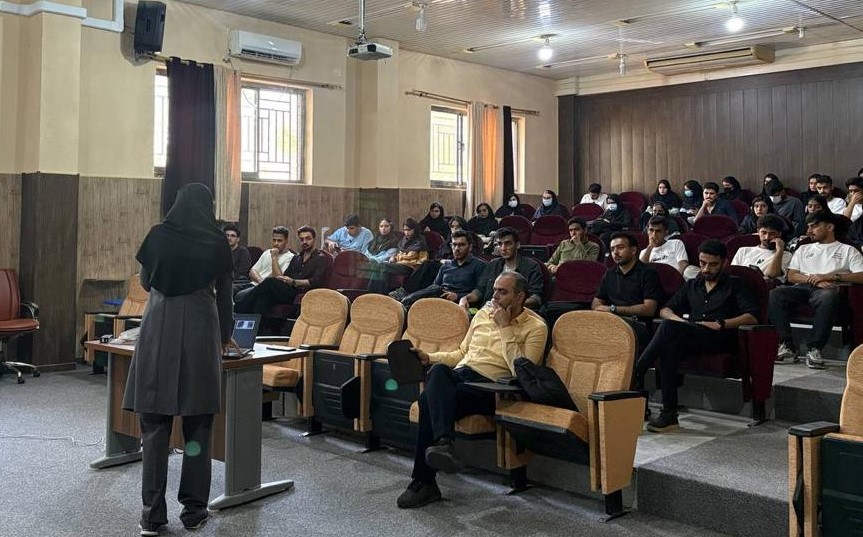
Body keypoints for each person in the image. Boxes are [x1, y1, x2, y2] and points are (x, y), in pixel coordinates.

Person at [122, 184, 234, 535]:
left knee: (154, 425)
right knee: (198, 424)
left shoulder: (158, 235)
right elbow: (226, 296)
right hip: (200, 328)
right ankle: (194, 510)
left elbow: (145, 281)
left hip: (158, 324)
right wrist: (225, 336)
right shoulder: (216, 241)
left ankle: (151, 515)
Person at [396, 272, 548, 509]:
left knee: (427, 400)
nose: (494, 296)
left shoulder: (536, 327)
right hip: (461, 376)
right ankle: (443, 445)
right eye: (494, 289)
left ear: (520, 297)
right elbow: (461, 353)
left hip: (492, 387)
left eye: (502, 292)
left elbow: (523, 373)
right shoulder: (483, 315)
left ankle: (424, 481)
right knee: (438, 371)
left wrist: (505, 327)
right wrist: (430, 357)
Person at [635, 240, 759, 433]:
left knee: (668, 332)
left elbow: (752, 317)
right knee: (668, 344)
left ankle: (637, 371)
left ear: (724, 263)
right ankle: (669, 414)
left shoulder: (735, 284)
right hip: (692, 333)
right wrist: (679, 322)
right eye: (702, 263)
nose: (706, 269)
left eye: (713, 264)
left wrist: (721, 324)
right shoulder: (693, 284)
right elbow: (666, 310)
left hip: (721, 337)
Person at [769, 212, 863, 369]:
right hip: (803, 287)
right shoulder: (803, 248)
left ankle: (814, 349)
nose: (809, 231)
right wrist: (814, 280)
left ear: (830, 227)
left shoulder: (848, 250)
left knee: (828, 296)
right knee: (775, 294)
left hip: (830, 288)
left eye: (814, 226)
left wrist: (831, 276)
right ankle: (786, 346)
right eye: (808, 227)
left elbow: (861, 275)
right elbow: (792, 275)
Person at [234, 226, 329, 315]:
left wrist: (294, 281)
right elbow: (285, 276)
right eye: (301, 239)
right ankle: (258, 326)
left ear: (314, 239)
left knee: (269, 281)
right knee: (263, 297)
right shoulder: (297, 258)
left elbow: (316, 281)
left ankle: (239, 306)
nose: (304, 242)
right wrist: (286, 280)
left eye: (308, 239)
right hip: (288, 288)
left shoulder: (320, 258)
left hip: (300, 292)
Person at [592, 232, 662, 348]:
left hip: (638, 324)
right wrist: (604, 310)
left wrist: (613, 309)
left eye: (620, 248)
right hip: (611, 320)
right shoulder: (609, 274)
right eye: (612, 249)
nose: (615, 253)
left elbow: (649, 309)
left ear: (633, 250)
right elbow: (596, 303)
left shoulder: (648, 273)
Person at [458, 227, 544, 310]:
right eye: (500, 244)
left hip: (516, 313)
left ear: (517, 245)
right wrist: (465, 298)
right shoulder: (493, 264)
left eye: (508, 243)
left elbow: (536, 298)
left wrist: (511, 305)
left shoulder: (531, 266)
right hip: (488, 311)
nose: (503, 248)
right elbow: (480, 290)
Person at [399, 230, 486, 309]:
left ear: (470, 247)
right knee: (418, 301)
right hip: (439, 296)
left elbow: (479, 292)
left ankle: (403, 304)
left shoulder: (479, 265)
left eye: (461, 245)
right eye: (454, 245)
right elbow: (435, 286)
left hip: (458, 302)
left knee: (411, 304)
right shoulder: (446, 265)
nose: (456, 248)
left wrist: (458, 296)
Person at [367, 218, 428, 294]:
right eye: (405, 230)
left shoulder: (420, 241)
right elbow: (398, 253)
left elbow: (423, 260)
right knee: (381, 268)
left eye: (409, 230)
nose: (406, 232)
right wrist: (394, 257)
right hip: (398, 264)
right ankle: (373, 293)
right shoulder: (404, 240)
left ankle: (378, 294)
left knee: (383, 266)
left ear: (414, 229)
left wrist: (413, 265)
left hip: (409, 267)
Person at [235, 226, 294, 300]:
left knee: (240, 295)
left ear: (286, 241)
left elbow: (278, 279)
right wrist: (261, 282)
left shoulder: (290, 257)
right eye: (274, 240)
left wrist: (274, 257)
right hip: (255, 283)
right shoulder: (267, 252)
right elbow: (252, 271)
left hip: (267, 290)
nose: (276, 243)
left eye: (279, 241)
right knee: (229, 290)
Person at [731, 215, 791, 283]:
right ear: (758, 232)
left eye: (772, 234)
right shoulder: (743, 250)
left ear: (779, 234)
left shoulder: (785, 255)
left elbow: (771, 274)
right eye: (764, 233)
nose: (767, 237)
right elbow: (733, 273)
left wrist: (779, 251)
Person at [224, 223, 252, 290]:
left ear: (238, 239)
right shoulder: (220, 251)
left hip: (238, 282)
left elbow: (242, 272)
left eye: (233, 236)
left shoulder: (243, 252)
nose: (229, 238)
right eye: (227, 235)